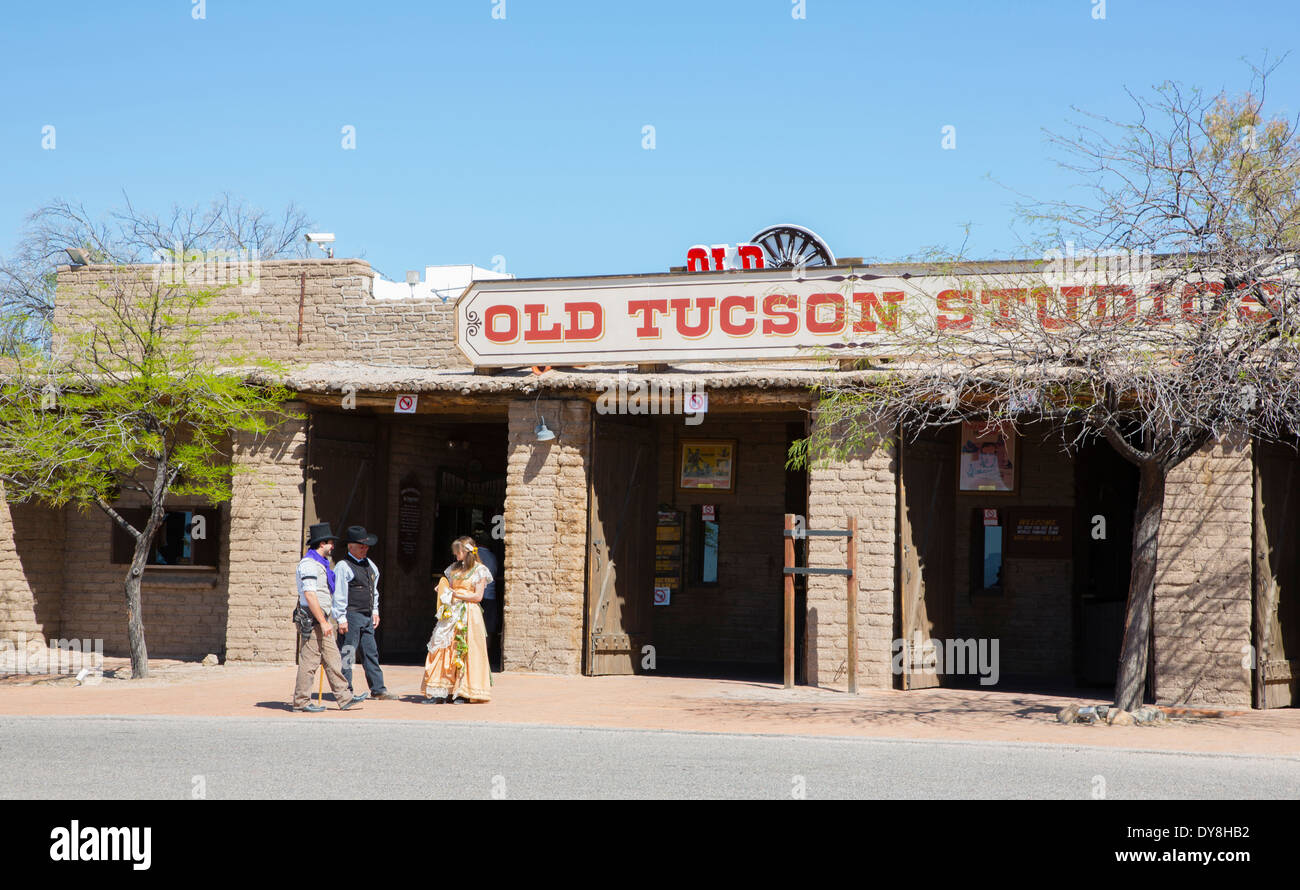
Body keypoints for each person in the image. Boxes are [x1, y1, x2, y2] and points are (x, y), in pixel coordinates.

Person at [292, 523, 364, 713]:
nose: (332, 547)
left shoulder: (320, 564)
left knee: (333, 659)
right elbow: (310, 595)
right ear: (322, 543)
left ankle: (344, 697)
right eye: (330, 543)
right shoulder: (308, 565)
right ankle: (301, 701)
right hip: (313, 619)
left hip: (321, 619)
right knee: (309, 661)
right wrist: (323, 622)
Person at [421, 535, 492, 703]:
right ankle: (442, 691)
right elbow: (449, 587)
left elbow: (478, 596)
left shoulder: (479, 570)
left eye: (458, 551)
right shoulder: (453, 568)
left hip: (468, 612)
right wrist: (443, 589)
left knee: (464, 649)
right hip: (451, 612)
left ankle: (463, 691)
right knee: (442, 647)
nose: (455, 555)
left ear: (466, 552)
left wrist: (457, 594)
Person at [333, 525, 397, 700]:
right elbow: (339, 594)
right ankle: (346, 690)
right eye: (361, 546)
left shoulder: (371, 566)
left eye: (366, 546)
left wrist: (375, 611)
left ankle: (378, 689)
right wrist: (341, 618)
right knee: (347, 652)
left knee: (371, 652)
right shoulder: (343, 566)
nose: (365, 549)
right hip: (351, 615)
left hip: (367, 616)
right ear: (350, 546)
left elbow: (374, 591)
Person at [471, 525, 502, 672]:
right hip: (489, 595)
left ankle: (473, 657)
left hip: (475, 596)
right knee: (488, 629)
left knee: (473, 628)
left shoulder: (474, 557)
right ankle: (485, 658)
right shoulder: (492, 557)